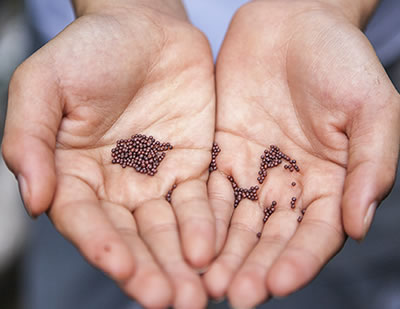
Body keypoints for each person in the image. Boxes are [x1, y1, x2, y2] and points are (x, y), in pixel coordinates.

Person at [2, 0, 400, 308]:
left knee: (327, 280)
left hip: (324, 97)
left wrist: (326, 6)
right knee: (95, 262)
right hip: (102, 88)